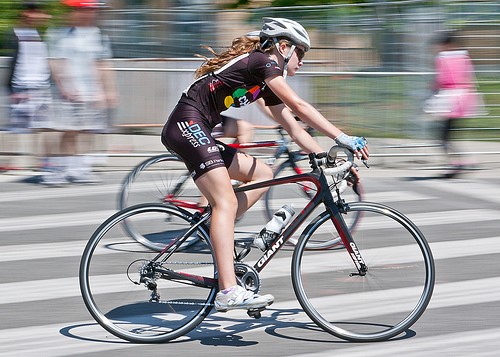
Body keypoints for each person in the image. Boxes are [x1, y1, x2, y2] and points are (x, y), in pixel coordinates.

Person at [161, 17, 369, 312]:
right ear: (284, 47)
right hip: (186, 125)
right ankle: (228, 291)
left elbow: (295, 128)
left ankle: (216, 229)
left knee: (262, 172)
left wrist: (327, 159)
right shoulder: (263, 62)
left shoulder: (266, 80)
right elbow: (301, 106)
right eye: (302, 53)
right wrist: (343, 137)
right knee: (225, 204)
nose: (303, 62)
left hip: (198, 128)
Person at [46, 0, 117, 184]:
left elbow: (102, 63)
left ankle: (80, 168)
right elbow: (55, 62)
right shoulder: (59, 34)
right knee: (68, 131)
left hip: (91, 92)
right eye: (84, 10)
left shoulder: (97, 35)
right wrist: (64, 86)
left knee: (87, 131)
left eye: (91, 10)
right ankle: (60, 168)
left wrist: (108, 90)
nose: (88, 14)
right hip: (68, 94)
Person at [4, 1, 56, 178]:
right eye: (37, 13)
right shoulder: (16, 33)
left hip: (40, 87)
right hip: (22, 86)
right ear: (27, 14)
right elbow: (13, 61)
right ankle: (6, 162)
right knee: (15, 129)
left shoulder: (37, 34)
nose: (41, 16)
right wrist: (12, 88)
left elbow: (42, 61)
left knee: (43, 127)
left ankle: (43, 160)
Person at [426, 31, 484, 177]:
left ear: (446, 45)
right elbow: (467, 78)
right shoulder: (463, 57)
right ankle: (463, 161)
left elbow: (443, 79)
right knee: (446, 135)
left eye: (438, 45)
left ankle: (457, 163)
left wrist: (432, 86)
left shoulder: (443, 58)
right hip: (463, 99)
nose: (436, 48)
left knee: (442, 136)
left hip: (450, 101)